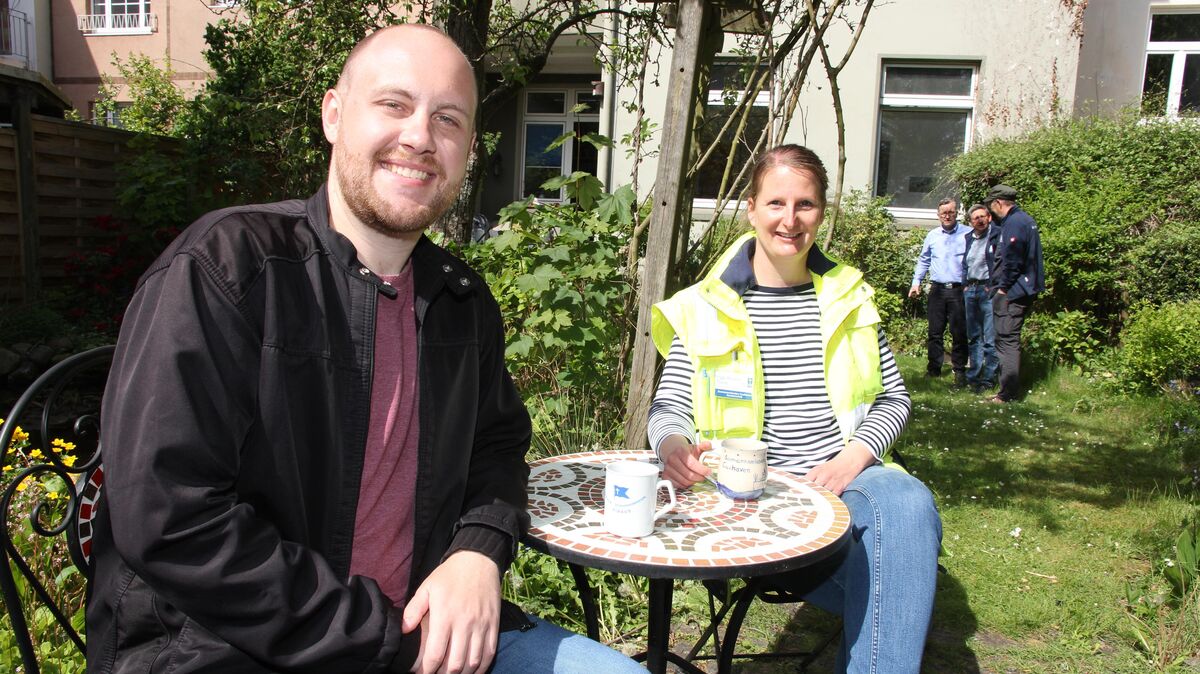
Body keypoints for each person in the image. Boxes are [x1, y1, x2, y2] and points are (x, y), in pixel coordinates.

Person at [86, 25, 643, 674]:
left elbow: (497, 448)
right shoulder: (228, 273)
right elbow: (172, 521)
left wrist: (477, 550)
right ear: (334, 114)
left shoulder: (461, 302)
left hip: (424, 637)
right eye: (394, 104)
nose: (419, 136)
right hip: (229, 652)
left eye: (447, 119)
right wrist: (382, 637)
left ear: (467, 150)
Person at [647, 145, 941, 673]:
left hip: (845, 487)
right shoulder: (703, 306)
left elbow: (893, 398)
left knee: (908, 501)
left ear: (822, 212)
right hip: (750, 503)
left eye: (805, 204)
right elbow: (668, 408)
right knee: (895, 575)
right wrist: (672, 446)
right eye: (776, 203)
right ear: (751, 208)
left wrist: (852, 459)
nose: (789, 220)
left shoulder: (849, 296)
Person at [984, 184, 1045, 403]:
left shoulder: (1015, 223)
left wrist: (1002, 289)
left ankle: (1007, 394)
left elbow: (1013, 261)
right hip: (1020, 290)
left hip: (1013, 293)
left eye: (991, 206)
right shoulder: (1024, 220)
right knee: (1007, 338)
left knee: (1006, 340)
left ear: (998, 203)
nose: (991, 212)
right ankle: (1006, 391)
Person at [909, 198, 970, 385]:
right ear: (938, 215)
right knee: (935, 332)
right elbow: (924, 260)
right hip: (937, 290)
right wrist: (916, 282)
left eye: (951, 212)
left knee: (959, 332)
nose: (947, 216)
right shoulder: (933, 236)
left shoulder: (967, 234)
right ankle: (934, 369)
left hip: (959, 290)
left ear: (957, 213)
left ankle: (959, 370)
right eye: (943, 213)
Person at [962, 203, 1000, 394]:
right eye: (975, 218)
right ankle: (973, 376)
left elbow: (1001, 263)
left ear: (989, 217)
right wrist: (965, 284)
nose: (979, 220)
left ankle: (989, 378)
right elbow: (965, 263)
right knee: (974, 336)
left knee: (990, 337)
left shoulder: (997, 236)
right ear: (971, 222)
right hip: (971, 290)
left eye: (982, 216)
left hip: (987, 290)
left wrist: (994, 285)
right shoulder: (969, 238)